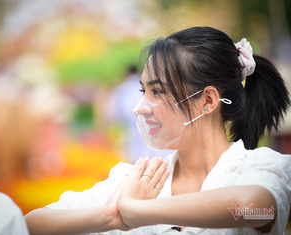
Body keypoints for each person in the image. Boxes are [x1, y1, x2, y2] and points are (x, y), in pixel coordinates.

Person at [25, 26, 291, 234]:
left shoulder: (258, 168)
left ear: (208, 101)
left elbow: (256, 209)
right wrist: (110, 216)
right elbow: (29, 225)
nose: (142, 107)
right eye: (144, 91)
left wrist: (140, 211)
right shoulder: (140, 181)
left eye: (158, 91)